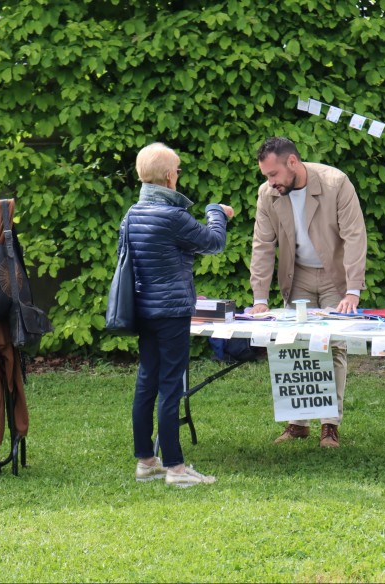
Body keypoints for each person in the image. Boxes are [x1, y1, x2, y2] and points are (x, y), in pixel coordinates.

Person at [125, 142, 235, 487]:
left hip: (143, 308)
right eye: (178, 170)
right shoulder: (172, 216)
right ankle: (175, 468)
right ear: (170, 176)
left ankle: (146, 461)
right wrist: (218, 212)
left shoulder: (132, 214)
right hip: (171, 312)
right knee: (171, 386)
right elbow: (214, 242)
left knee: (147, 381)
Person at [249, 137, 367, 448]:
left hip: (334, 276)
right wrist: (260, 299)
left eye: (273, 174)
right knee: (295, 345)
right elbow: (262, 244)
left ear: (292, 162)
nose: (270, 182)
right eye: (266, 176)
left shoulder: (336, 182)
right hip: (297, 274)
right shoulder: (267, 194)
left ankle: (330, 425)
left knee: (334, 346)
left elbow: (355, 235)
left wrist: (352, 290)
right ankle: (298, 424)